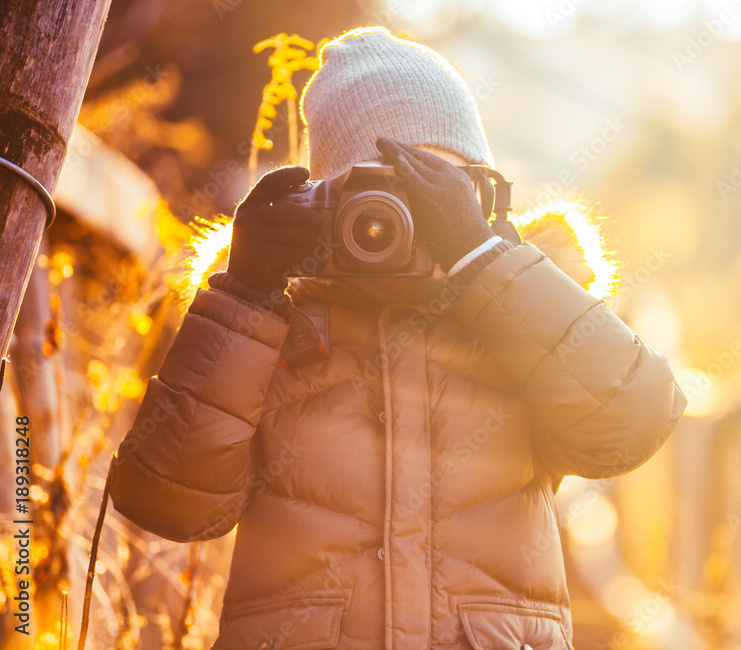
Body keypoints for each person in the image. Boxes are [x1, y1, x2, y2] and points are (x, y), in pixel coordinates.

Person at [108, 25, 687, 650]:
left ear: (479, 196)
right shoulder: (274, 323)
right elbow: (168, 504)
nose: (406, 218)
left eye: (437, 189)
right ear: (327, 198)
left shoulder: (523, 321)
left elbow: (635, 423)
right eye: (381, 191)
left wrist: (482, 260)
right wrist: (245, 294)